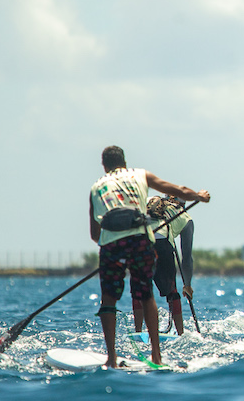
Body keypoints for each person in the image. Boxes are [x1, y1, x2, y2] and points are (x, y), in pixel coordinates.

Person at [89, 146, 210, 368]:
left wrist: (112, 249)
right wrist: (198, 196)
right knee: (146, 294)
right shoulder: (141, 176)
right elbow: (177, 189)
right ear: (124, 162)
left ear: (104, 166)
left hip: (111, 242)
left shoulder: (97, 187)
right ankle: (156, 355)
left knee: (108, 299)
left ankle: (112, 358)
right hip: (141, 240)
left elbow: (95, 234)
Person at [133, 196, 195, 336]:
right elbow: (187, 258)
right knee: (172, 292)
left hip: (140, 241)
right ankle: (180, 334)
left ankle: (138, 333)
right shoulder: (185, 216)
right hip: (163, 245)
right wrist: (188, 284)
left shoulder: (149, 201)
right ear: (183, 204)